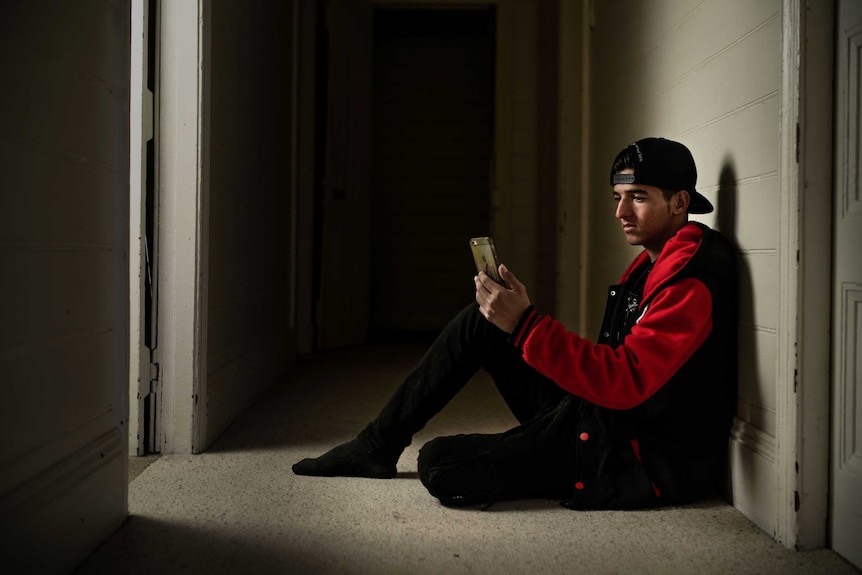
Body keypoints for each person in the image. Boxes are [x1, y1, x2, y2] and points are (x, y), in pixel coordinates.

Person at [293, 137, 738, 510]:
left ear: (680, 202)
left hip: (633, 460)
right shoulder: (651, 263)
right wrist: (516, 323)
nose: (621, 212)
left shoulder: (688, 283)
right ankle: (375, 447)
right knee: (483, 322)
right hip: (603, 420)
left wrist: (527, 325)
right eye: (618, 198)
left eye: (637, 197)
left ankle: (532, 449)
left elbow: (624, 380)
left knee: (439, 463)